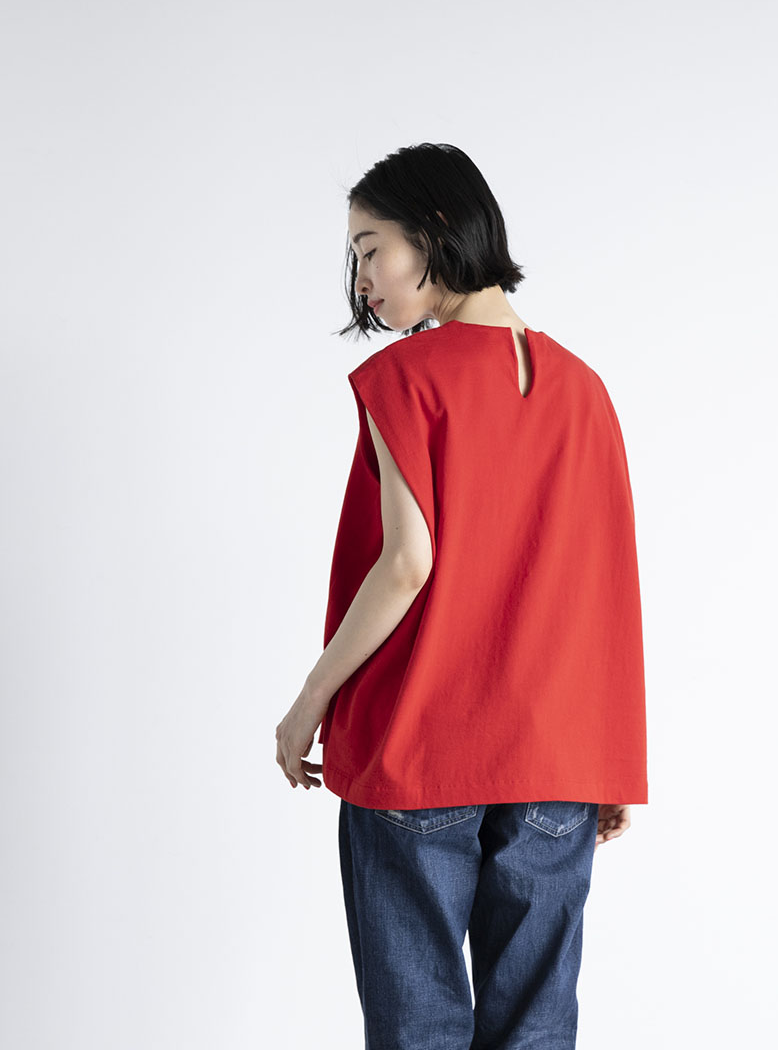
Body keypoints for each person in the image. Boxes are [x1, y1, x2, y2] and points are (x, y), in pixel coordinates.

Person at [274, 142, 648, 1049]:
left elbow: (408, 563)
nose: (363, 279)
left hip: (420, 746)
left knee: (418, 1028)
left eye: (371, 249)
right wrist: (611, 758)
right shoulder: (585, 389)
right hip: (555, 758)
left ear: (435, 230)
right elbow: (605, 583)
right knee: (536, 1028)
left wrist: (309, 702)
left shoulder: (405, 379)